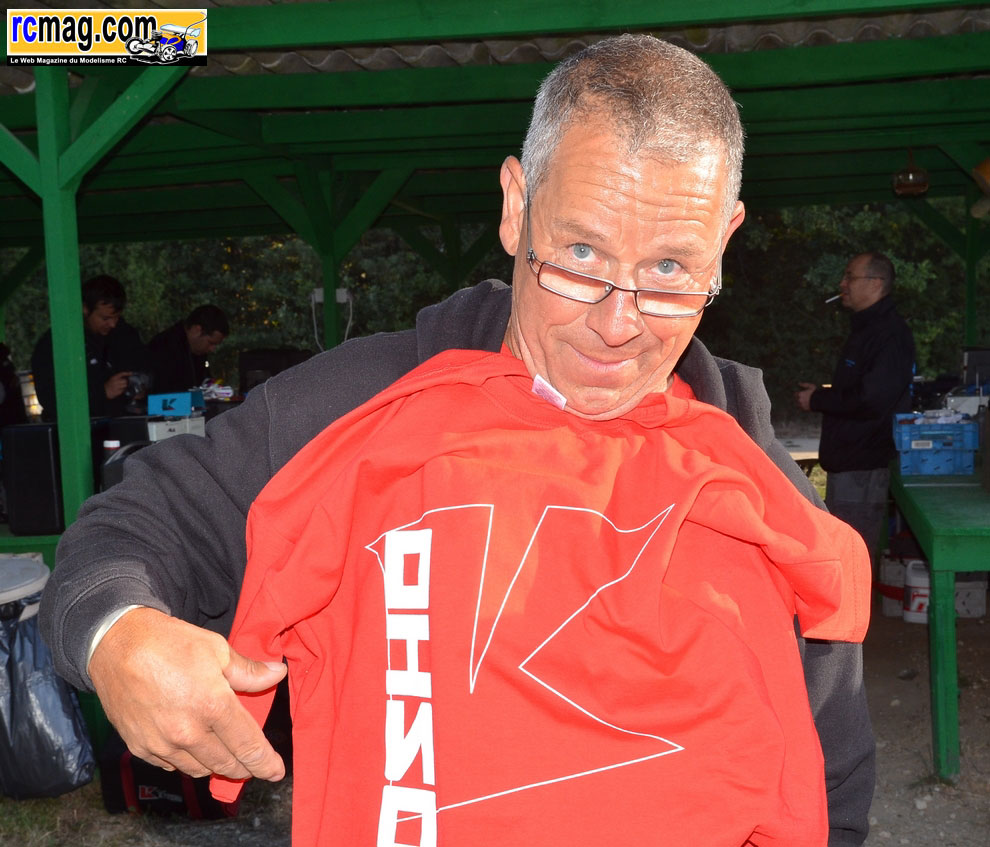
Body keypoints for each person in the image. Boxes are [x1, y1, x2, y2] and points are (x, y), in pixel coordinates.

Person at [41, 36, 875, 845]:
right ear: (516, 207)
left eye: (669, 270)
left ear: (724, 242)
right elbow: (134, 525)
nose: (619, 323)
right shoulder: (365, 406)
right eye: (582, 253)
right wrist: (118, 635)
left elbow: (832, 775)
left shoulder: (754, 481)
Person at [796, 252, 915, 566]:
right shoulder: (869, 328)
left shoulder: (889, 334)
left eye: (850, 276)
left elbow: (872, 399)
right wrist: (823, 394)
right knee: (841, 553)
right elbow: (862, 389)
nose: (842, 284)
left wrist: (818, 400)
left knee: (850, 559)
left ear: (875, 284)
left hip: (862, 465)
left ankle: (858, 601)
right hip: (850, 462)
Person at [30, 274, 149, 420]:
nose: (112, 324)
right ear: (85, 309)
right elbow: (50, 398)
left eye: (117, 317)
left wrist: (142, 386)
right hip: (79, 428)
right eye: (105, 318)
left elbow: (146, 367)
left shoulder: (126, 335)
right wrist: (102, 393)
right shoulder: (55, 344)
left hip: (125, 424)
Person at [147, 304, 229, 393]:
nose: (212, 349)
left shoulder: (197, 351)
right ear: (197, 330)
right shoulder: (163, 347)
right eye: (210, 343)